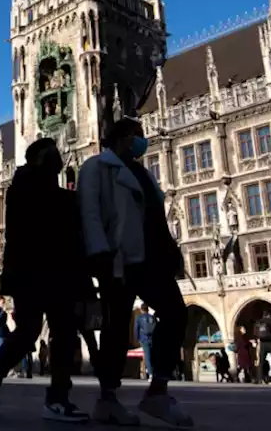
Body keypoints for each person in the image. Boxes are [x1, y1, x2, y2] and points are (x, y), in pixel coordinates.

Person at [78, 117, 192, 427]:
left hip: (151, 257)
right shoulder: (96, 167)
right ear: (125, 137)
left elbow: (156, 217)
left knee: (176, 313)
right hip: (118, 259)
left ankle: (157, 392)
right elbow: (89, 213)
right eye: (138, 136)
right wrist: (99, 253)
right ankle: (108, 399)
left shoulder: (143, 173)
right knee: (115, 329)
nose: (142, 141)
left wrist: (171, 249)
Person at [0, 138, 91, 422]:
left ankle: (58, 398)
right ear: (39, 157)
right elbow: (32, 228)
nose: (58, 157)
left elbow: (72, 237)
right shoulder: (23, 188)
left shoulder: (54, 193)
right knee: (29, 332)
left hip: (60, 273)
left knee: (64, 333)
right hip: (32, 272)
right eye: (52, 152)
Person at [135, 305, 157, 379]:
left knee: (147, 356)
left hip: (144, 339)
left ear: (141, 310)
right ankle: (155, 373)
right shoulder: (153, 317)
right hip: (153, 339)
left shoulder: (139, 317)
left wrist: (137, 339)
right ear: (147, 310)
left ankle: (150, 374)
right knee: (153, 356)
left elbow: (136, 329)